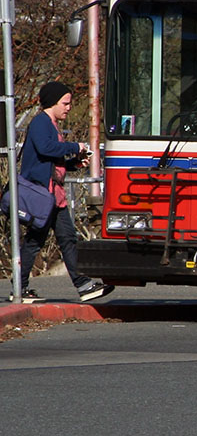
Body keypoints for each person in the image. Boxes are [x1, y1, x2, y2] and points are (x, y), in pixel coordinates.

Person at [11, 81, 113, 304]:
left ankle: (83, 284)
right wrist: (75, 147)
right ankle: (20, 286)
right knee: (36, 241)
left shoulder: (51, 124)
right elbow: (46, 148)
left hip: (54, 196)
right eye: (65, 103)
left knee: (67, 238)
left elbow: (51, 161)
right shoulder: (41, 123)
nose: (68, 107)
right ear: (53, 103)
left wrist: (74, 163)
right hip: (43, 195)